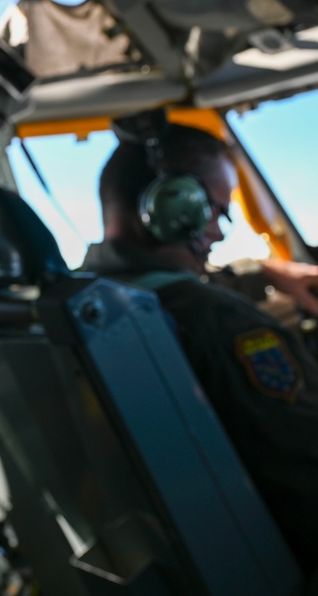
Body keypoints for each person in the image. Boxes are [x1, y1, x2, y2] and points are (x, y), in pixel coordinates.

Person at [80, 119, 318, 579]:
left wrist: (266, 274)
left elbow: (182, 287)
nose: (221, 234)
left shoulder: (90, 298)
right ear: (172, 208)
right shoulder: (222, 325)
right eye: (216, 212)